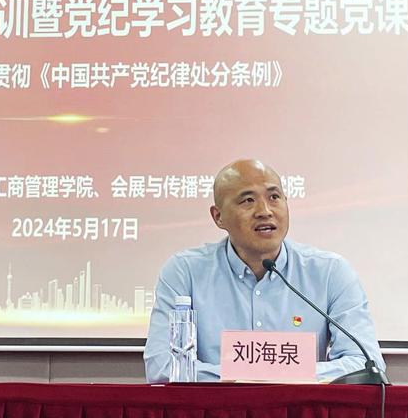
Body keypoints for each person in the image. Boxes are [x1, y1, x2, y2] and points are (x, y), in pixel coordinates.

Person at [144, 159, 385, 382]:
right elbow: (162, 366)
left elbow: (365, 363)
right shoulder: (185, 271)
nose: (265, 211)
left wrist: (268, 375)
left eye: (274, 197)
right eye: (247, 200)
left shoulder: (330, 272)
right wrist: (252, 377)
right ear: (218, 217)